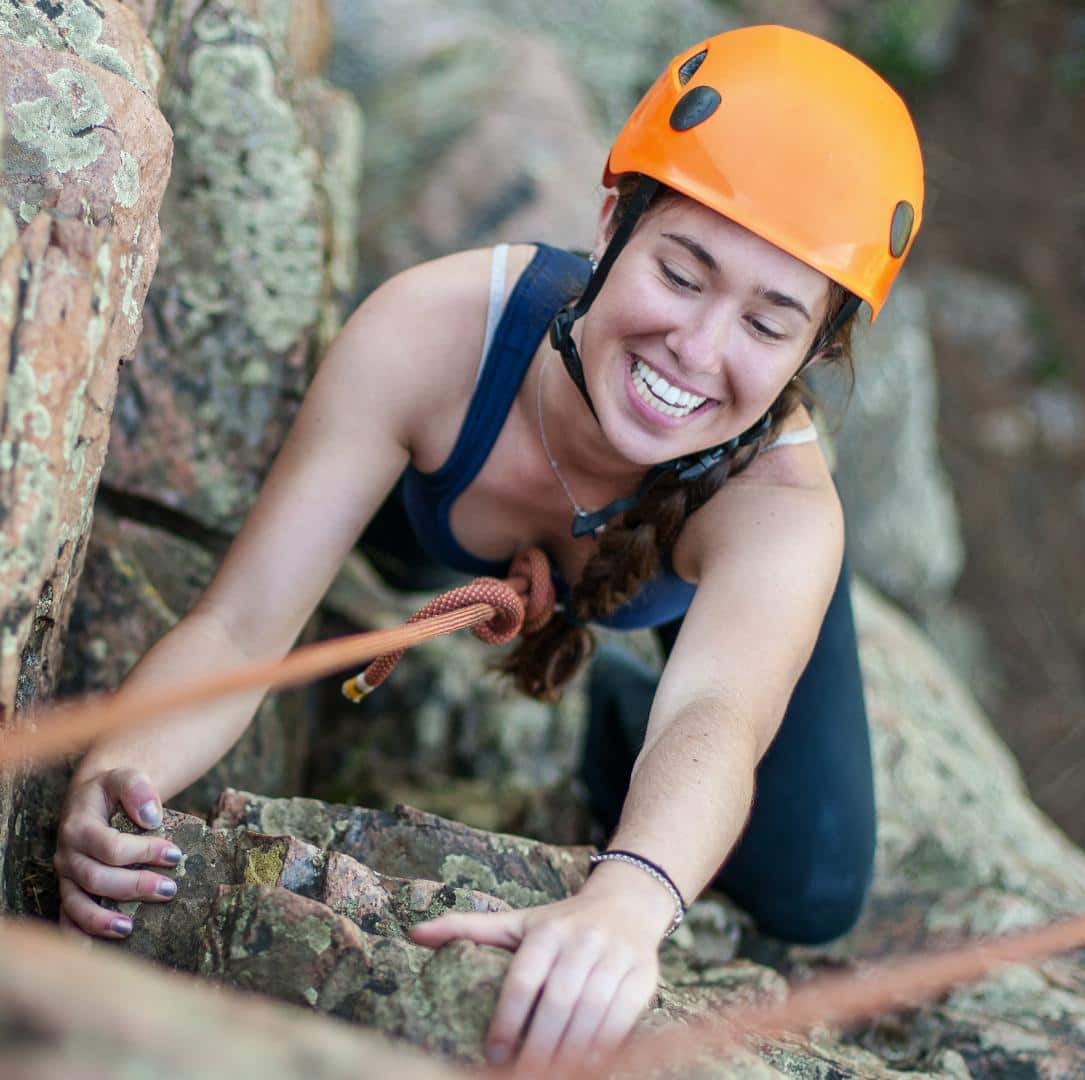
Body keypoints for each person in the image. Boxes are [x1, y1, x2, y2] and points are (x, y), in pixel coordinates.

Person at [52, 24, 925, 1069]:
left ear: (813, 350)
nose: (697, 350)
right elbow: (243, 621)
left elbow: (716, 714)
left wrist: (629, 898)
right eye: (683, 274)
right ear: (612, 225)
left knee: (811, 888)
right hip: (443, 502)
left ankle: (613, 724)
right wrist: (125, 768)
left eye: (768, 322)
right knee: (378, 537)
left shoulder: (776, 504)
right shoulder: (433, 338)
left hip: (694, 568)